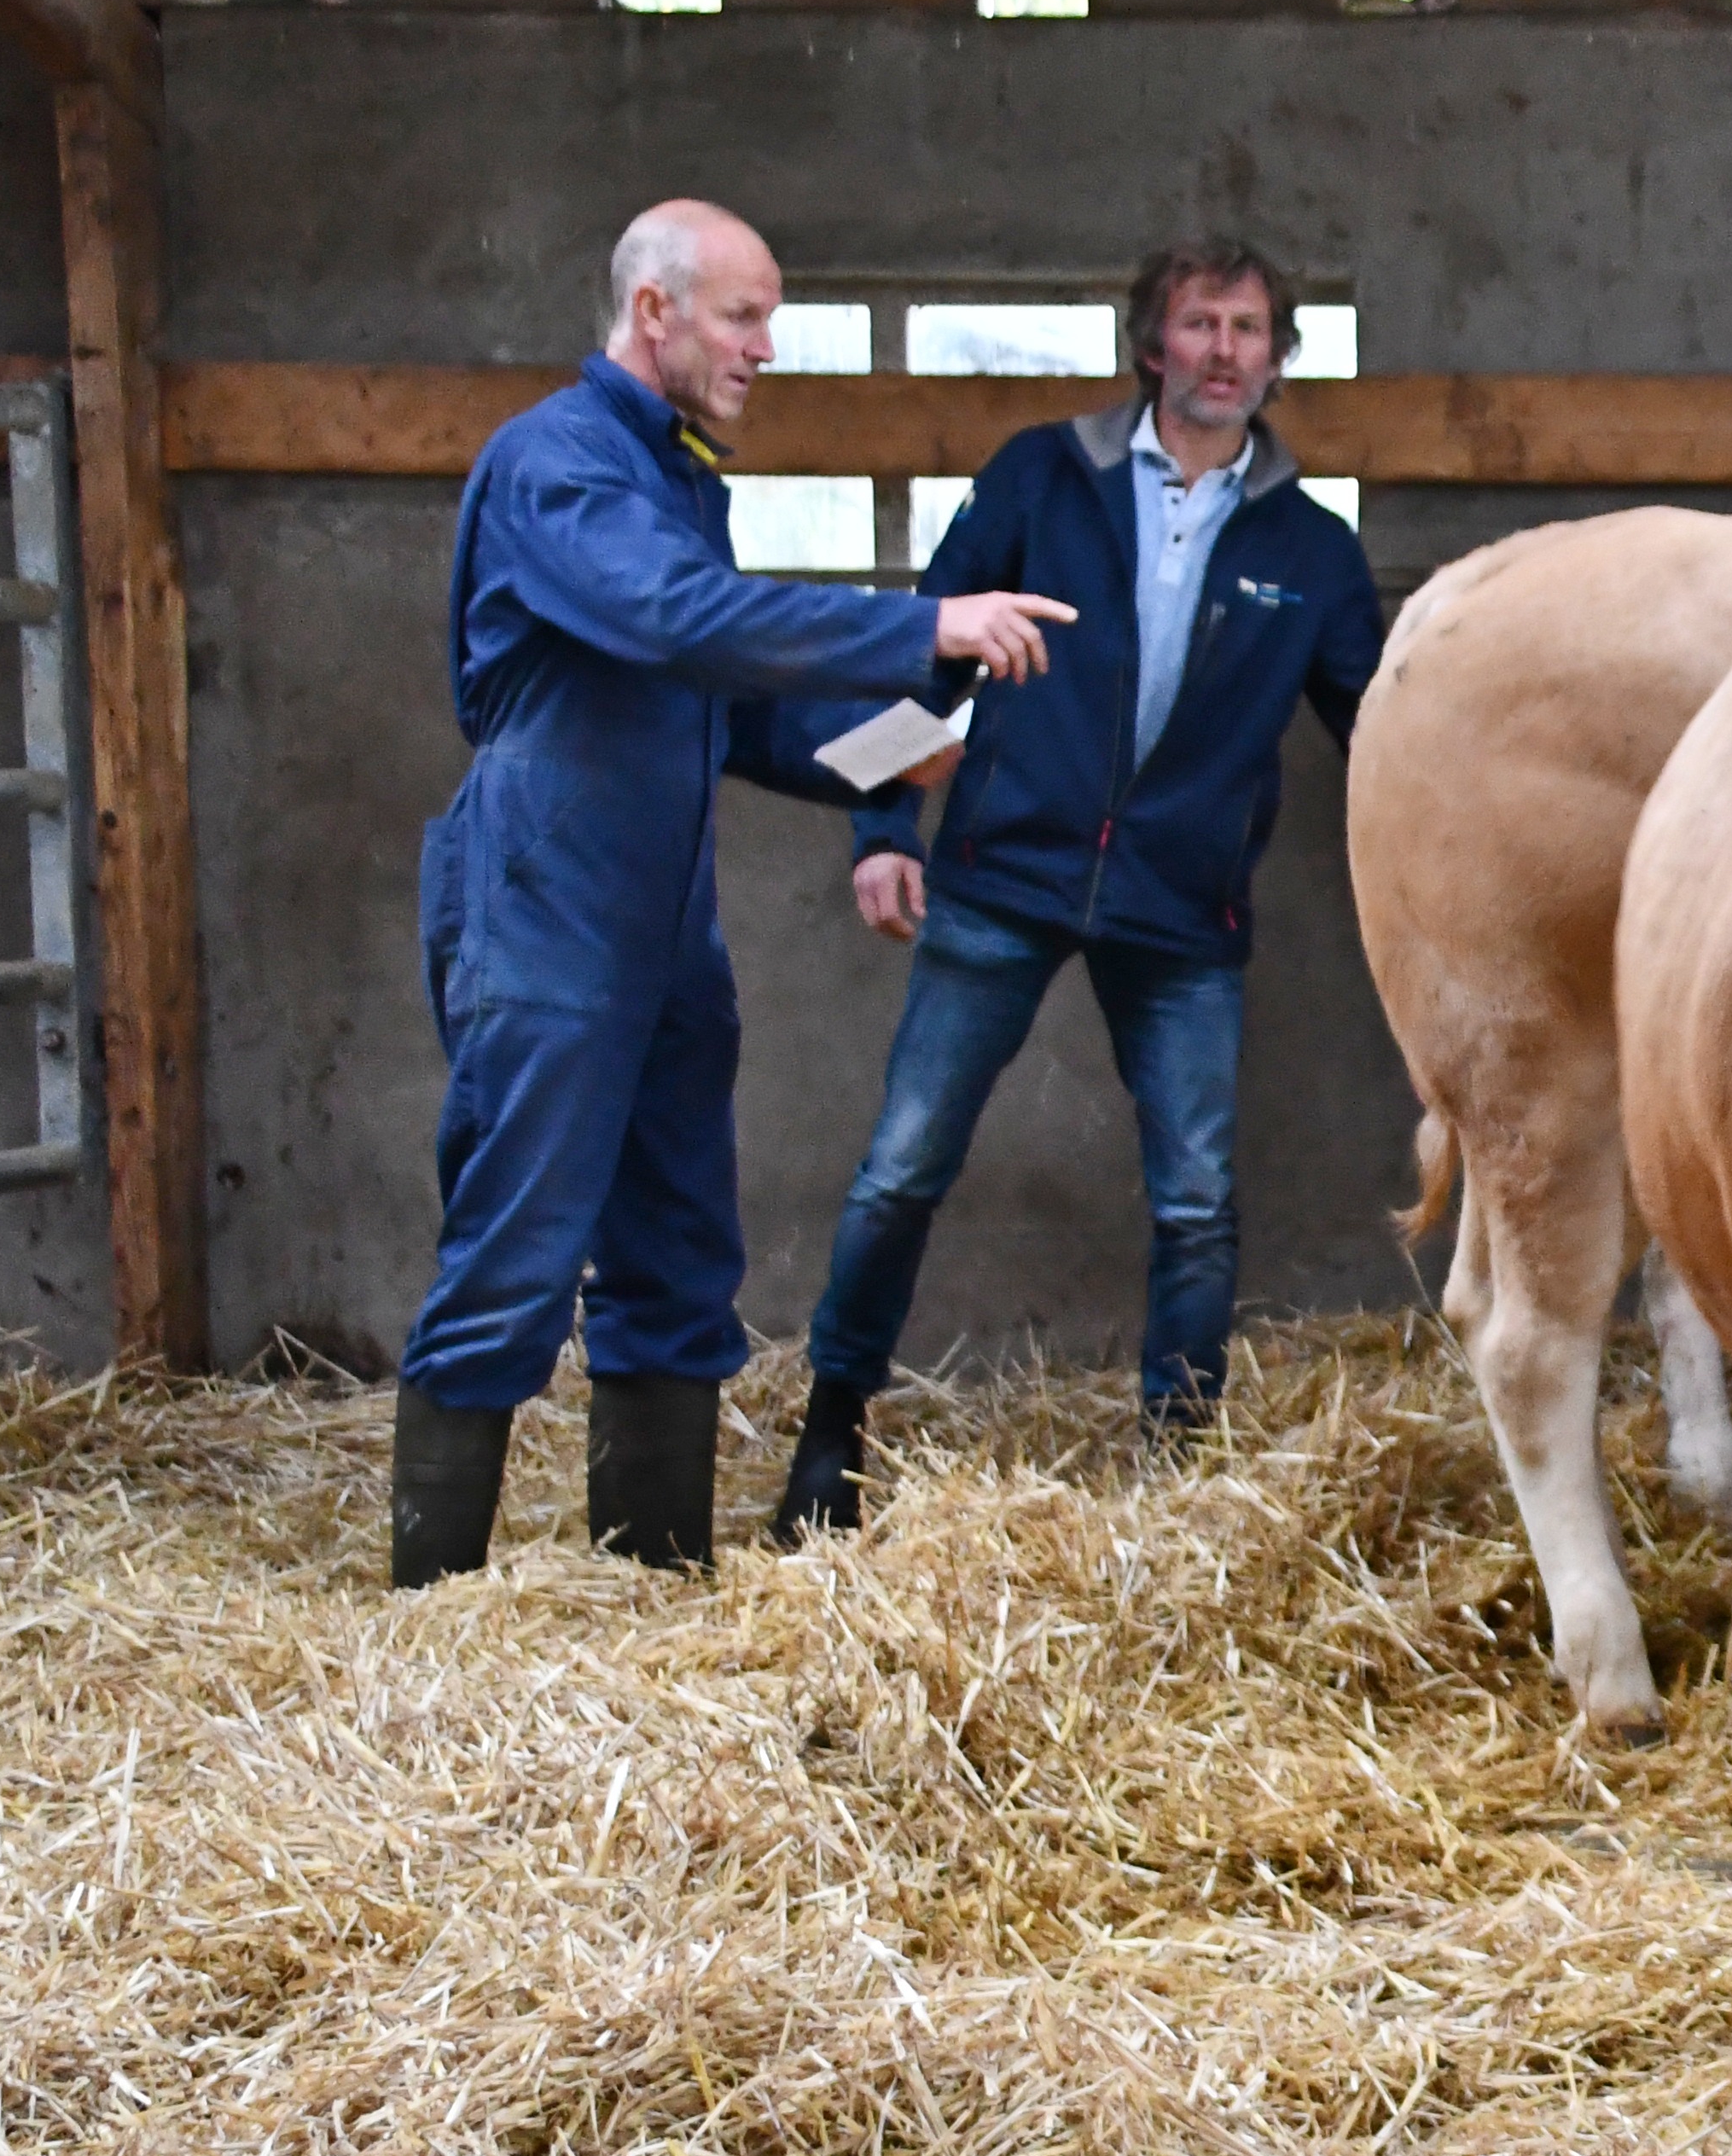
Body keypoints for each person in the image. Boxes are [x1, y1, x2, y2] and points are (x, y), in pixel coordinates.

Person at [392, 200, 1077, 1588]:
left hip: (660, 929)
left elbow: (729, 718)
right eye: (745, 316)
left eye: (773, 317)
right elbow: (680, 620)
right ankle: (434, 1620)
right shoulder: (562, 467)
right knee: (514, 1255)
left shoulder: (677, 480)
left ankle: (654, 1585)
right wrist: (921, 620)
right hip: (544, 910)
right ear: (655, 313)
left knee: (680, 1256)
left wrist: (900, 753)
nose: (769, 347)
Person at [769, 235, 1390, 1543]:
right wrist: (884, 826)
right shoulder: (1044, 478)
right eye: (1201, 324)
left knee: (1198, 1196)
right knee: (902, 1165)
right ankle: (831, 1440)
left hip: (1183, 911)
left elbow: (1379, 730)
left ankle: (1177, 1480)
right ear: (1150, 344)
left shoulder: (1310, 546)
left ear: (1278, 358)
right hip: (1005, 874)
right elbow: (925, 652)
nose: (1226, 350)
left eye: (1250, 328)